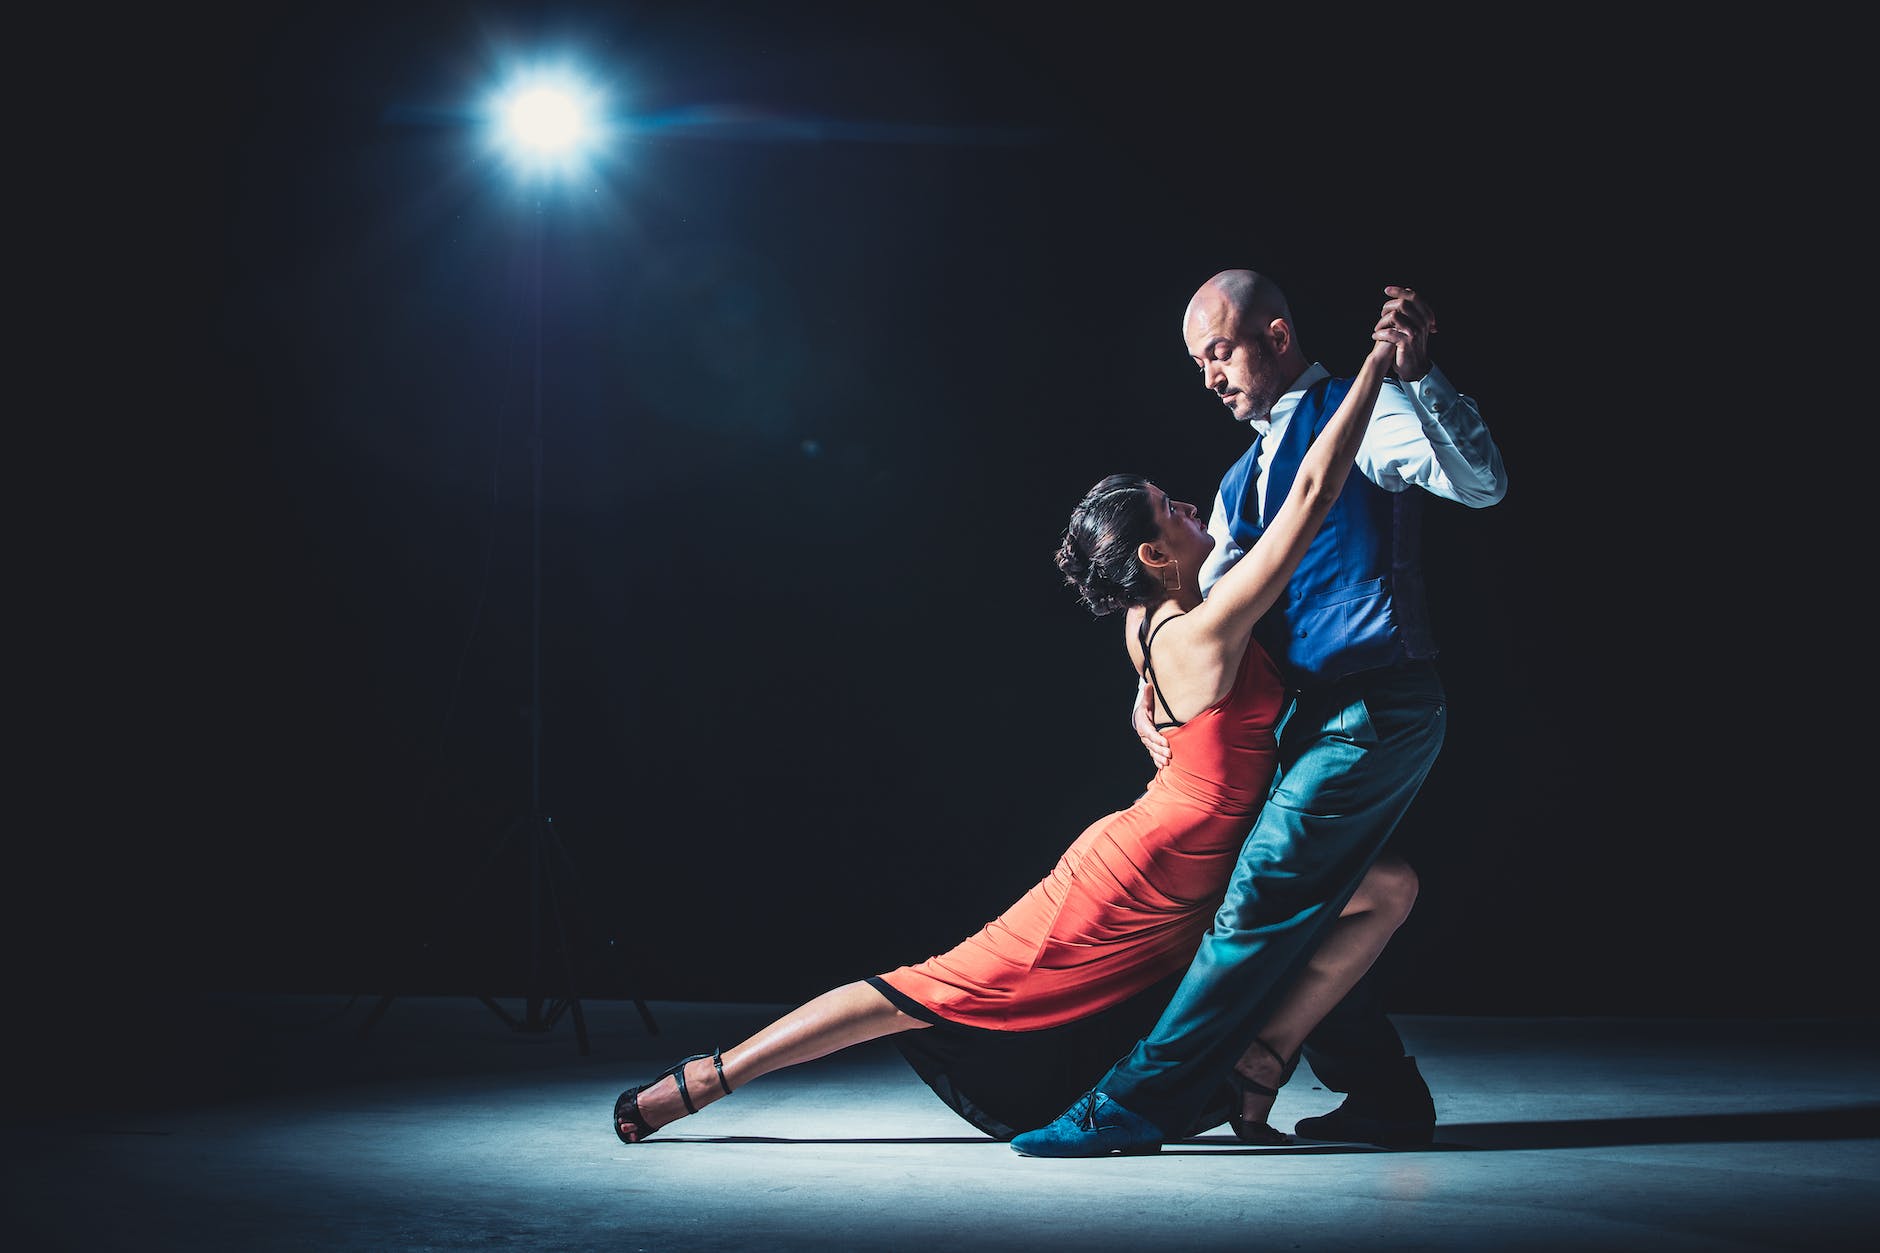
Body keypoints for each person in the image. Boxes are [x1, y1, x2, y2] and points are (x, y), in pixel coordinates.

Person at [613, 319, 1410, 1147]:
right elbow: (1314, 493)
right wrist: (1373, 369)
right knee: (926, 990)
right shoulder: (1207, 632)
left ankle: (1260, 1064)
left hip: (1209, 852)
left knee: (1387, 888)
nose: (1193, 506)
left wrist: (1144, 707)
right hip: (1143, 874)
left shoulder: (1151, 615)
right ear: (1154, 551)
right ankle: (707, 1078)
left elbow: (1160, 689)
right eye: (1176, 509)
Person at [1010, 273, 1508, 1157]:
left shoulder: (1369, 413)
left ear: (1276, 335)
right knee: (1321, 899)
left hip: (1376, 701)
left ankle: (1134, 1103)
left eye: (1219, 351)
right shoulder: (1238, 481)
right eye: (1197, 361)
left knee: (1260, 900)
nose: (1209, 376)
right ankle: (1383, 1092)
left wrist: (1423, 380)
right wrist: (1147, 685)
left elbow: (1480, 485)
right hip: (1306, 723)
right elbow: (1199, 603)